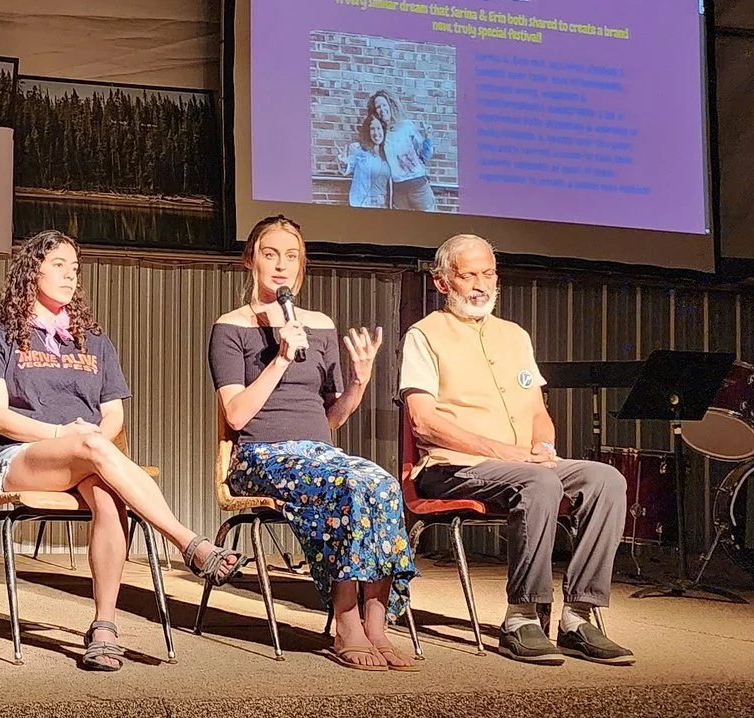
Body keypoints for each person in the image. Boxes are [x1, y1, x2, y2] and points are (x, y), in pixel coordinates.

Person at [0, 231, 244, 672]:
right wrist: (64, 434)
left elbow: (113, 417)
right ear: (31, 270)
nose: (69, 276)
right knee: (94, 446)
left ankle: (104, 627)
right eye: (59, 264)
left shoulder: (94, 341)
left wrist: (92, 441)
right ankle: (188, 542)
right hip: (23, 459)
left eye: (74, 268)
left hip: (88, 456)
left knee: (112, 499)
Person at [400, 234, 633, 666]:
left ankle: (578, 616)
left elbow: (537, 410)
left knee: (606, 480)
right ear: (442, 282)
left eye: (488, 273)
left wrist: (544, 445)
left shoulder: (515, 336)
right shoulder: (424, 336)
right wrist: (506, 452)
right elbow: (423, 421)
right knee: (539, 481)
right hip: (453, 467)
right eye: (468, 274)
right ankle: (521, 617)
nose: (480, 284)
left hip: (523, 465)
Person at [208, 215, 417, 670]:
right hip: (260, 456)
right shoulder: (231, 327)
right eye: (270, 254)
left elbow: (332, 420)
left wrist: (360, 383)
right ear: (251, 260)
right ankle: (345, 620)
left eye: (291, 257)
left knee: (380, 482)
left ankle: (376, 623)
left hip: (320, 454)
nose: (280, 266)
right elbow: (236, 414)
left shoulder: (319, 326)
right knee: (347, 485)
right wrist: (282, 358)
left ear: (301, 268)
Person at [375, 92, 438, 212]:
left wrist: (428, 138)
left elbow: (425, 155)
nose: (382, 109)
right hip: (398, 191)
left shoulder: (407, 127)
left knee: (430, 225)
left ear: (391, 105)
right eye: (378, 107)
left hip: (418, 186)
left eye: (384, 105)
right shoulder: (381, 133)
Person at [345, 99, 392, 209]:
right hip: (362, 206)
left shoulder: (390, 154)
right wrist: (343, 163)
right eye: (372, 129)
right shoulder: (359, 150)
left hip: (384, 209)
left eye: (378, 128)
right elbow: (348, 168)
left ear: (384, 130)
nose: (376, 133)